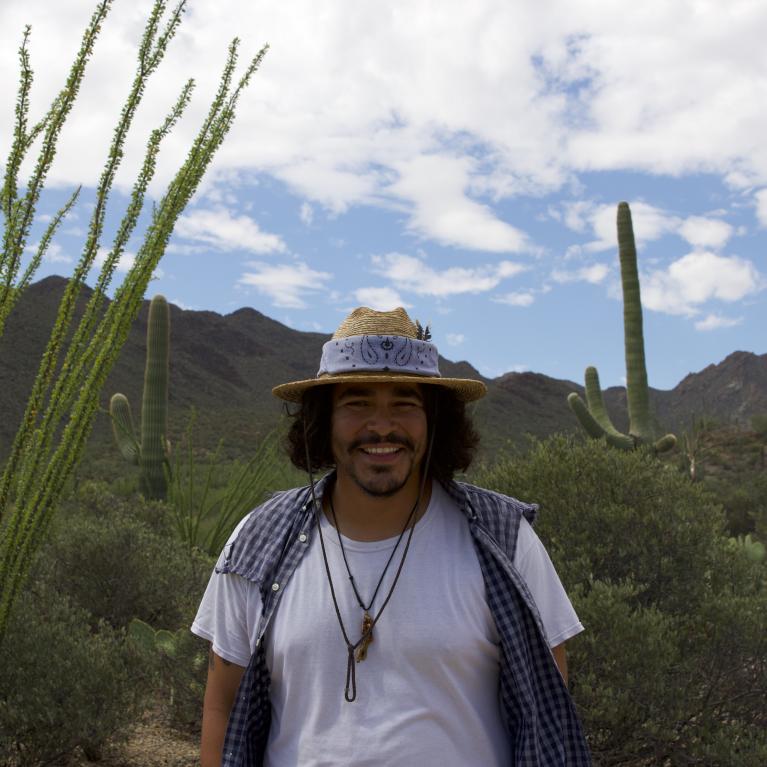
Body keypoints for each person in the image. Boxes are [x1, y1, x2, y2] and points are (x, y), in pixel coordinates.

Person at [192, 306, 591, 767]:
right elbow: (222, 704)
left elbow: (547, 705)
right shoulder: (258, 541)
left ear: (435, 421)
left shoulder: (505, 540)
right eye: (357, 403)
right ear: (323, 421)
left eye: (405, 402)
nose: (382, 426)